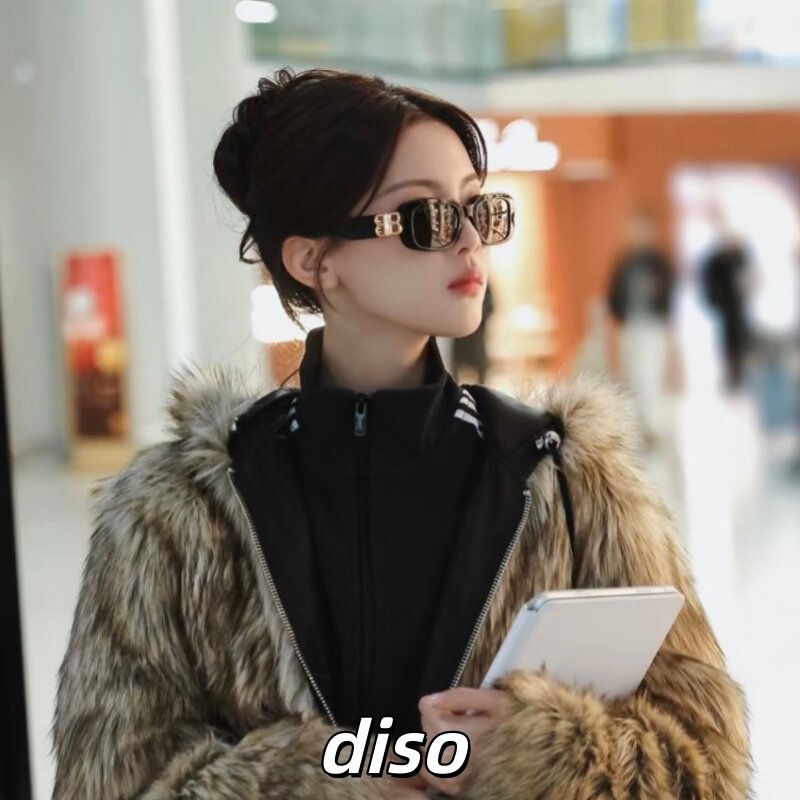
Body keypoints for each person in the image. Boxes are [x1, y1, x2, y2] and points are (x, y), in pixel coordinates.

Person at [51, 69, 751, 800]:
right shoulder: (175, 513)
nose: (470, 241)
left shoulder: (569, 482)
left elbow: (708, 764)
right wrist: (323, 784)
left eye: (478, 209)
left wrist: (539, 751)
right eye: (425, 218)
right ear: (314, 260)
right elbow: (109, 781)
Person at [607, 208, 678, 446]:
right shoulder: (624, 264)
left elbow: (669, 303)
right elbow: (614, 301)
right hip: (630, 328)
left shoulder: (660, 265)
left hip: (653, 328)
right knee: (633, 378)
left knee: (650, 378)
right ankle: (640, 428)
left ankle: (654, 428)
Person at [700, 232, 754, 391]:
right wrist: (716, 301)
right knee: (727, 343)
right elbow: (709, 285)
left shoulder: (741, 258)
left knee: (742, 341)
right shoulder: (715, 261)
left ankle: (741, 374)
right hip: (724, 309)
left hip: (740, 308)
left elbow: (749, 278)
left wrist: (746, 291)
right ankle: (731, 376)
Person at [451, 280, 494, 383]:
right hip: (460, 332)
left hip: (477, 332)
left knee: (479, 362)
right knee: (458, 362)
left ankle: (482, 384)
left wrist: (478, 317)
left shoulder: (482, 282)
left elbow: (490, 306)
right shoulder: (455, 280)